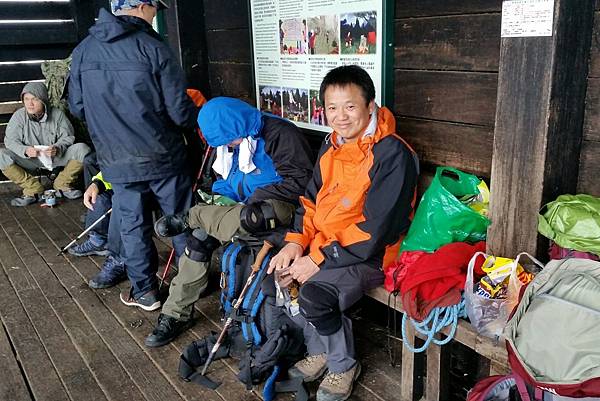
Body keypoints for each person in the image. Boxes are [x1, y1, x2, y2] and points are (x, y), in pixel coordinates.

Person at [268, 65, 419, 401]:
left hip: (375, 254)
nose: (340, 117)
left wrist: (317, 260)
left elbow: (374, 230)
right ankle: (319, 351)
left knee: (314, 294)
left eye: (350, 106)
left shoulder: (392, 154)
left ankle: (342, 365)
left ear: (369, 106)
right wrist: (295, 243)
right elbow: (309, 202)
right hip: (331, 246)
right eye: (332, 108)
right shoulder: (331, 146)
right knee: (282, 274)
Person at [146, 96, 314, 347]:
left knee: (248, 216)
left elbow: (300, 182)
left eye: (229, 140)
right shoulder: (236, 141)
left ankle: (191, 217)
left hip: (284, 211)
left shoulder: (280, 134)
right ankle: (175, 314)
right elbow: (232, 180)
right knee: (200, 238)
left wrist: (256, 197)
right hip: (245, 209)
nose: (229, 146)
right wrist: (220, 196)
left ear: (237, 124)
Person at [68, 0, 197, 311]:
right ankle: (195, 282)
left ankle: (146, 292)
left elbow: (77, 107)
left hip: (116, 159)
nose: (155, 15)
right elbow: (180, 112)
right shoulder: (153, 47)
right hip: (164, 156)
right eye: (155, 9)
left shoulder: (84, 50)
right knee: (181, 221)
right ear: (141, 6)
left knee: (132, 225)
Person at [0, 82, 90, 206]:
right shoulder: (19, 116)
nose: (30, 103)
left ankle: (62, 185)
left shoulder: (57, 114)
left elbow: (68, 137)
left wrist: (58, 147)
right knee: (1, 156)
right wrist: (25, 150)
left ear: (43, 100)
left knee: (83, 149)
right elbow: (10, 140)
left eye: (34, 99)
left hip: (56, 158)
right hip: (30, 159)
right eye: (26, 99)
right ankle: (33, 189)